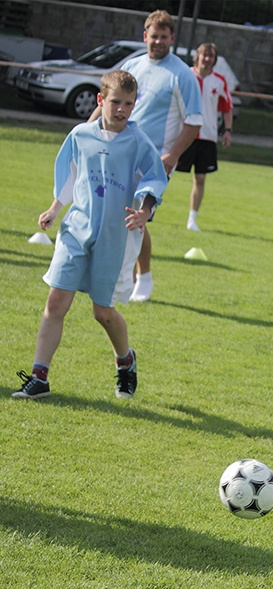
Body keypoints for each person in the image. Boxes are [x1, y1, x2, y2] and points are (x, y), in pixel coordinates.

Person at [12, 70, 168, 400]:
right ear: (101, 100)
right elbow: (70, 175)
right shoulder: (81, 135)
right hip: (76, 229)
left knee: (103, 312)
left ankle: (125, 362)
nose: (122, 109)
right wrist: (55, 209)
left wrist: (145, 211)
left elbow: (154, 180)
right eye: (115, 102)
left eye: (129, 103)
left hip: (115, 235)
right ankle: (39, 376)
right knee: (56, 301)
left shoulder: (138, 142)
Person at [93, 9, 203, 303]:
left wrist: (171, 156)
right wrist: (88, 132)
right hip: (119, 153)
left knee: (137, 217)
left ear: (172, 39)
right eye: (154, 36)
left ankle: (143, 278)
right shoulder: (133, 66)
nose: (158, 42)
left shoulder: (182, 74)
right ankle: (124, 277)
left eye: (164, 37)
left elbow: (194, 122)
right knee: (120, 216)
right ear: (145, 36)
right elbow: (107, 103)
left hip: (153, 161)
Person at [175, 43, 233, 233]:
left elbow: (227, 109)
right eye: (204, 55)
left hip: (207, 136)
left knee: (200, 178)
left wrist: (227, 130)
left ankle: (192, 220)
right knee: (166, 172)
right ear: (197, 56)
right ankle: (148, 209)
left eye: (211, 56)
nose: (207, 59)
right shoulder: (185, 75)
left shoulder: (220, 81)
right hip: (184, 134)